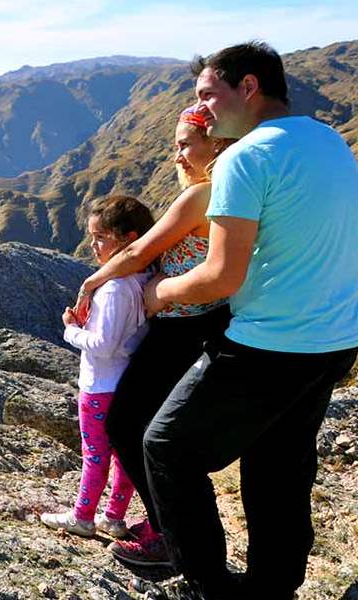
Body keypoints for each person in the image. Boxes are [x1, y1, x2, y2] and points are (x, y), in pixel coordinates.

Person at [137, 41, 358, 600]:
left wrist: (157, 294)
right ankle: (272, 589)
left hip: (269, 343)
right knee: (278, 469)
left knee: (167, 447)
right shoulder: (328, 139)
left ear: (249, 88)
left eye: (208, 94)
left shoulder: (244, 157)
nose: (203, 109)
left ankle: (210, 586)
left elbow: (219, 276)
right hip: (334, 339)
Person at [73, 105, 237, 567]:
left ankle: (171, 535)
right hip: (207, 322)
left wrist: (93, 282)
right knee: (150, 425)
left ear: (218, 144)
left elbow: (142, 250)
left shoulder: (200, 197)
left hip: (180, 327)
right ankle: (168, 524)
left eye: (186, 144)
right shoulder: (233, 193)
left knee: (129, 425)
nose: (177, 155)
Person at [40, 195, 155, 539]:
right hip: (126, 381)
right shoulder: (142, 279)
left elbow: (103, 346)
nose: (93, 245)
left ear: (129, 239)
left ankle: (83, 516)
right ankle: (114, 517)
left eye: (101, 237)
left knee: (94, 455)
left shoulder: (114, 289)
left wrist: (72, 330)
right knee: (123, 457)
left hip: (99, 386)